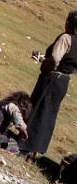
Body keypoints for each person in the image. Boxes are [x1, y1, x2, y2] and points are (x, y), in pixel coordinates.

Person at [21, 11, 77, 158]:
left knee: (37, 110)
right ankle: (37, 151)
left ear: (69, 23)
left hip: (52, 78)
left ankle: (23, 147)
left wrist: (45, 65)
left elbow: (55, 58)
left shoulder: (66, 37)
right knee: (49, 115)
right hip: (64, 81)